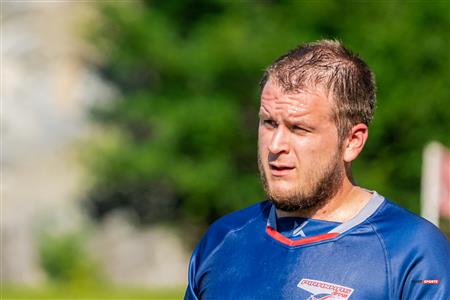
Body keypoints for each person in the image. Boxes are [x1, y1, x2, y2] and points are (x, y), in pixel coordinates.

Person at [184, 40, 449, 300]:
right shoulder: (223, 239)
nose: (276, 145)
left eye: (299, 128)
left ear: (352, 141)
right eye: (268, 123)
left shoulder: (412, 251)